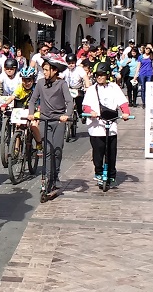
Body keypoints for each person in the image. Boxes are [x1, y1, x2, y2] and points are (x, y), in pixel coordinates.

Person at [26, 56, 72, 195]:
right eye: (43, 70)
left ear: (54, 70)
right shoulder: (40, 83)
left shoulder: (62, 84)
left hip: (58, 121)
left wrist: (67, 115)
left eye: (46, 70)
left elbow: (69, 102)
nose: (44, 72)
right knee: (47, 150)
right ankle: (47, 178)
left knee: (57, 150)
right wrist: (31, 113)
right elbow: (33, 100)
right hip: (44, 120)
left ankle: (55, 176)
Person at [82, 63, 131, 187]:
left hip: (111, 123)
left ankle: (111, 174)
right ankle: (98, 172)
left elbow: (122, 102)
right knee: (98, 151)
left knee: (111, 152)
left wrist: (125, 113)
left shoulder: (114, 87)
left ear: (107, 75)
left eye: (102, 75)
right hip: (96, 125)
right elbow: (86, 105)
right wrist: (90, 112)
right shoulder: (92, 89)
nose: (99, 77)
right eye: (97, 75)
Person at [61, 53, 89, 141]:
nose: (71, 65)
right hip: (68, 90)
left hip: (78, 89)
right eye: (69, 63)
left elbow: (85, 78)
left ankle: (81, 114)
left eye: (72, 63)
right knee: (63, 103)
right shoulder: (66, 70)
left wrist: (87, 87)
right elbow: (60, 77)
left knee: (79, 102)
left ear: (75, 62)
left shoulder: (79, 70)